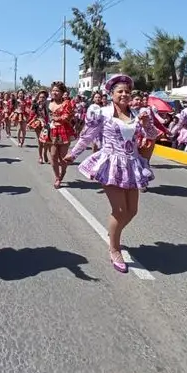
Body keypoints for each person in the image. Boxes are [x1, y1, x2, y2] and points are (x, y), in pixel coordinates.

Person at [62, 75, 154, 273]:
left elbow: (152, 136)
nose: (124, 94)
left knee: (132, 211)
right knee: (120, 210)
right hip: (111, 162)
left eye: (127, 92)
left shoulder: (138, 114)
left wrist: (147, 124)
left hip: (132, 164)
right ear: (111, 94)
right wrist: (73, 153)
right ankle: (114, 248)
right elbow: (87, 135)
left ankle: (114, 233)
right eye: (120, 91)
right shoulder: (101, 113)